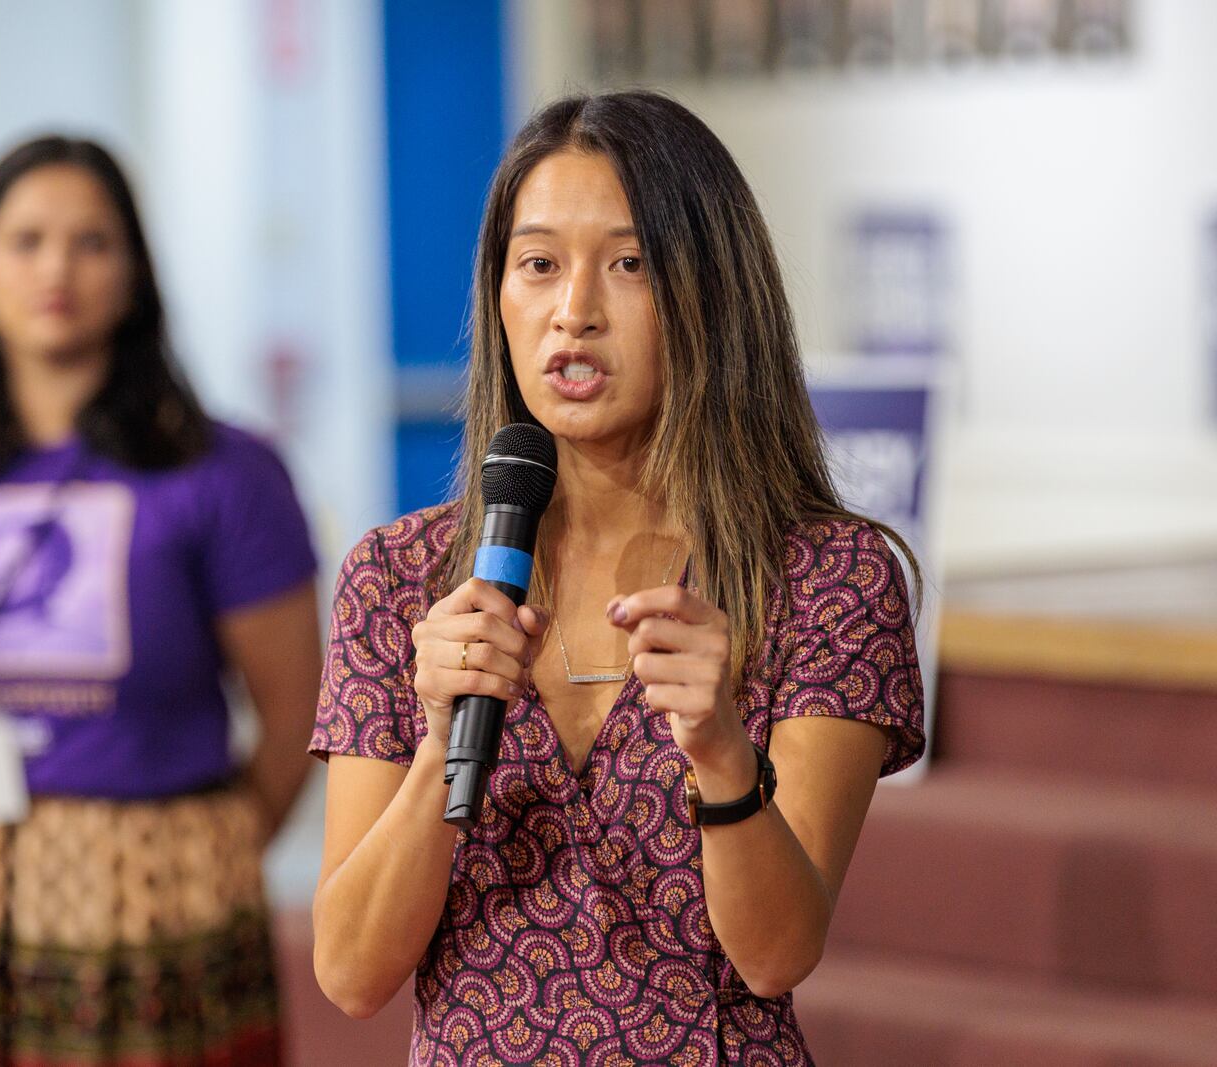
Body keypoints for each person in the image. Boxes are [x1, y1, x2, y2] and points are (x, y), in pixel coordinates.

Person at [309, 91, 925, 1065]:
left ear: (711, 291)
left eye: (629, 264)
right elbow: (350, 971)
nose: (575, 311)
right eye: (539, 264)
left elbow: (777, 953)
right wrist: (439, 746)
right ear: (499, 294)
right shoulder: (400, 578)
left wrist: (722, 752)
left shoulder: (824, 577)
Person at [0, 135, 321, 1066]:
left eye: (93, 241)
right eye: (25, 239)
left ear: (136, 274)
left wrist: (195, 856)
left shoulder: (222, 472)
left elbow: (296, 713)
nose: (56, 268)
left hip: (152, 921)